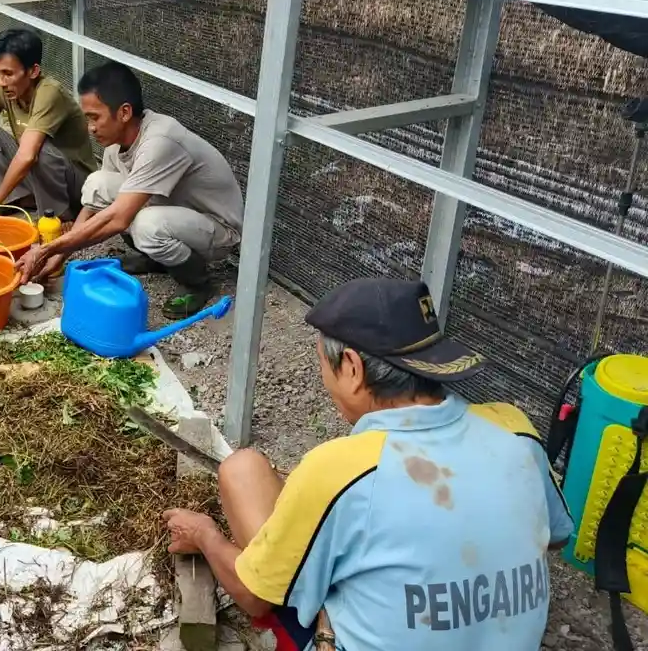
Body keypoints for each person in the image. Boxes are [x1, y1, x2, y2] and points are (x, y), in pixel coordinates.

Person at [161, 278, 573, 651]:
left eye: (323, 364)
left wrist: (205, 534)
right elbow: (554, 537)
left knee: (242, 470)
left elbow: (253, 595)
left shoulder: (339, 470)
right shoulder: (513, 429)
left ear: (353, 369)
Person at [17, 62, 243, 317]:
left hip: (218, 227)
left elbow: (118, 217)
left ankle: (198, 284)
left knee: (147, 225)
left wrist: (47, 249)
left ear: (124, 112)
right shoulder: (117, 144)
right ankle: (157, 259)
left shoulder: (160, 141)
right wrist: (60, 257)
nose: (90, 127)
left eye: (95, 117)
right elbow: (97, 204)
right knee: (97, 183)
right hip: (175, 211)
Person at [0, 28, 96, 219]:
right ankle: (15, 201)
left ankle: (60, 214)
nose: (2, 81)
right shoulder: (2, 88)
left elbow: (27, 156)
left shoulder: (49, 93)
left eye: (8, 73)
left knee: (37, 150)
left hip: (78, 185)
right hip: (43, 177)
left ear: (33, 71)